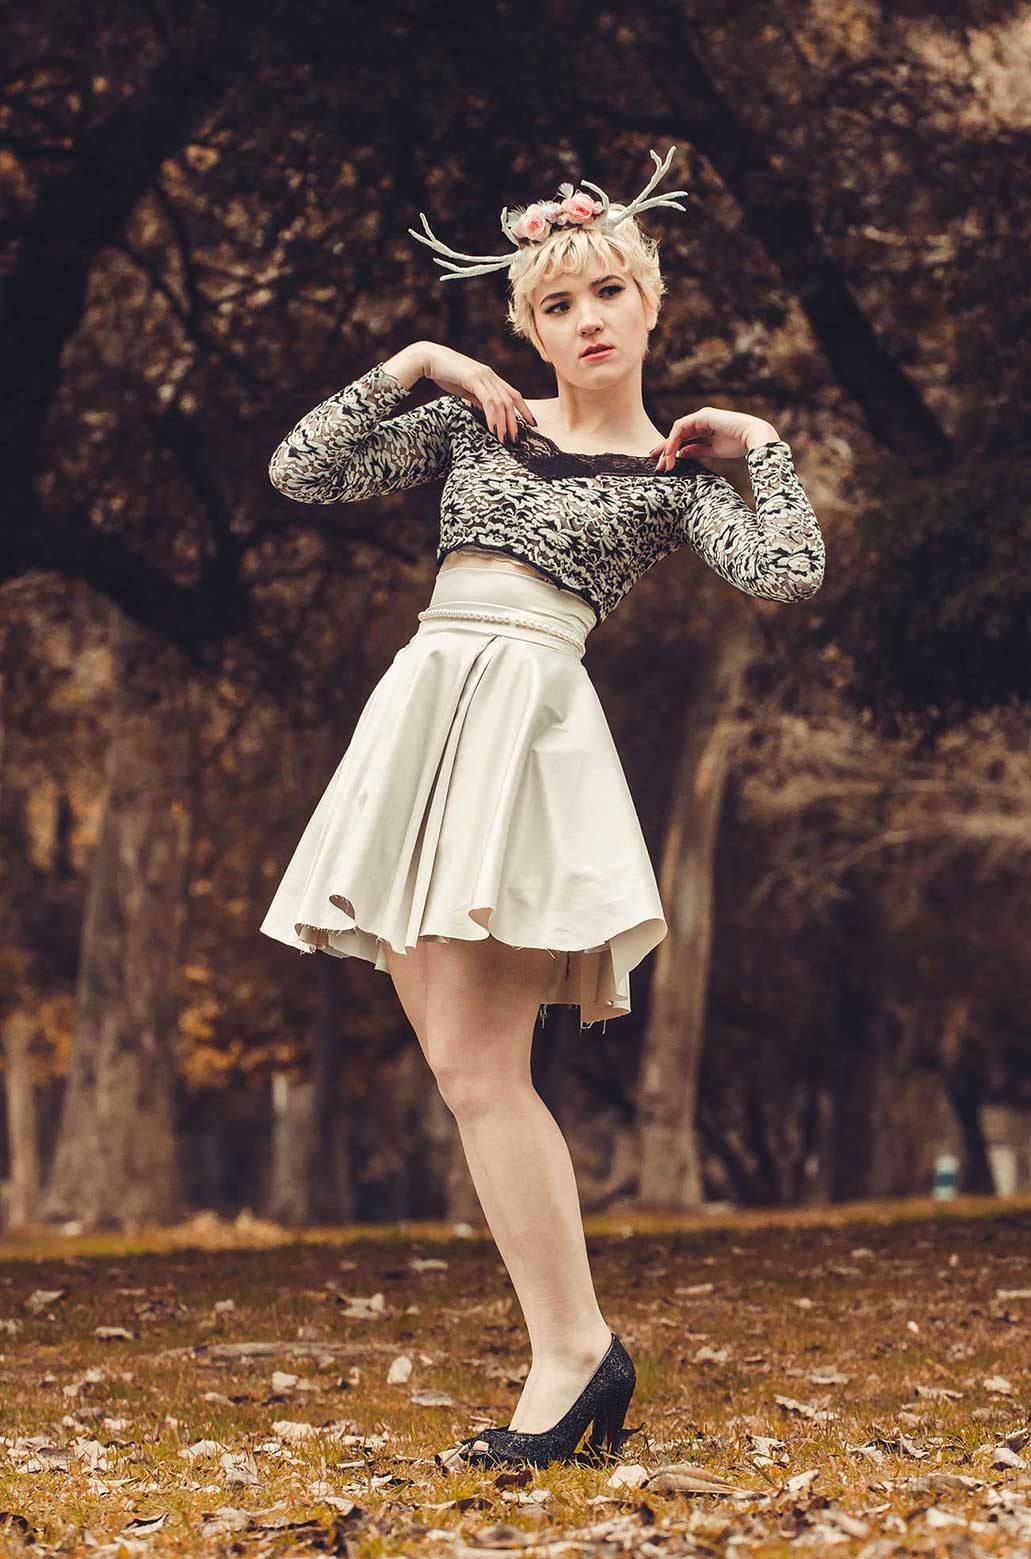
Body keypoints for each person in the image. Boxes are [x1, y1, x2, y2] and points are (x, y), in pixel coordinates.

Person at [259, 148, 825, 1469]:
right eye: (558, 305)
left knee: (484, 1073)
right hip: (426, 716)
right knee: (468, 1075)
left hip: (523, 739)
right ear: (531, 329)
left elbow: (786, 570)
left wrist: (766, 447)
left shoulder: (674, 478)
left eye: (610, 292)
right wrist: (416, 363)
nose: (588, 320)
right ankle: (578, 1354)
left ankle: (574, 1358)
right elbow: (299, 470)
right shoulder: (482, 425)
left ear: (651, 303)